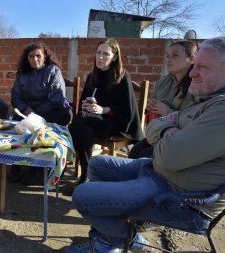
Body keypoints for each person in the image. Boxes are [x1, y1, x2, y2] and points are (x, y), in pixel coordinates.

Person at [62, 36, 225, 253]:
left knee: (82, 196)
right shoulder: (205, 101)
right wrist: (169, 129)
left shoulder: (220, 110)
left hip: (183, 198)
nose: (193, 73)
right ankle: (107, 241)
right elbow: (153, 123)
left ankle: (129, 242)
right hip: (160, 172)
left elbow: (166, 149)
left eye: (202, 67)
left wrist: (167, 126)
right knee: (98, 163)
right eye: (194, 67)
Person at [68, 38, 143, 187]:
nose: (100, 57)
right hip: (95, 121)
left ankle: (63, 152)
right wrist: (87, 104)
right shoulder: (92, 76)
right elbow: (84, 104)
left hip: (117, 122)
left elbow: (128, 110)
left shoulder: (123, 76)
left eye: (106, 54)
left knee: (82, 117)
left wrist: (104, 109)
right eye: (98, 52)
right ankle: (86, 174)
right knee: (86, 130)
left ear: (115, 57)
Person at [9, 42, 73, 185]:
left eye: (38, 55)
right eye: (31, 56)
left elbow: (57, 97)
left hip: (53, 110)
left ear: (45, 56)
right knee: (17, 120)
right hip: (29, 111)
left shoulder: (53, 71)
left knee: (37, 125)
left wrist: (36, 114)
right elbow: (15, 97)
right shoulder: (22, 74)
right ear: (27, 58)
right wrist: (25, 109)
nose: (35, 59)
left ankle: (38, 168)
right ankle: (17, 162)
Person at [128, 40, 197, 159]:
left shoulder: (197, 86)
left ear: (191, 59)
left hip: (181, 140)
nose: (169, 59)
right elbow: (149, 116)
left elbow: (196, 119)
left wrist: (167, 112)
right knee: (134, 152)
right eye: (168, 55)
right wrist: (151, 107)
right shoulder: (163, 82)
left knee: (145, 156)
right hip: (158, 134)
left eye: (175, 55)